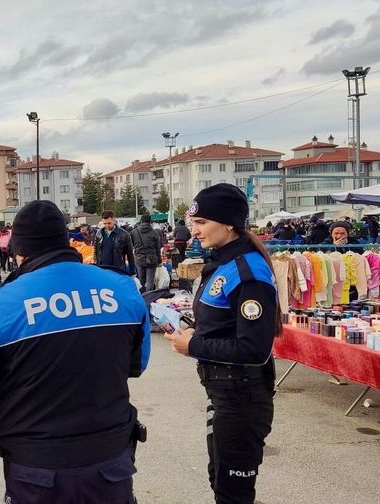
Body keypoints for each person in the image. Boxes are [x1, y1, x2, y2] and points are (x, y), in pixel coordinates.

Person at [0, 200, 150, 504]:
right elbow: (138, 364)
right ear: (66, 240)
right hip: (109, 459)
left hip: (37, 467)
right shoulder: (122, 288)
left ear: (19, 251)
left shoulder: (1, 303)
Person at [163, 183, 278, 504]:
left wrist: (194, 345)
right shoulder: (223, 262)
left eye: (201, 223)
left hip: (242, 397)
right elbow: (222, 323)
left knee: (233, 494)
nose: (193, 231)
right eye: (193, 222)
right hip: (223, 393)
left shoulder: (247, 271)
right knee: (220, 480)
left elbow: (254, 349)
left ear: (228, 223)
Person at [94, 210, 136, 275]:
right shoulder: (99, 233)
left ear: (114, 220)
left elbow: (130, 255)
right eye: (104, 223)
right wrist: (96, 265)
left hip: (117, 270)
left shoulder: (124, 235)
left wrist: (133, 272)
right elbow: (96, 251)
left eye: (109, 223)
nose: (107, 226)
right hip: (102, 269)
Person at [130, 213, 163, 291]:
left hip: (139, 259)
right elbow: (158, 248)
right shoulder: (154, 232)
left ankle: (142, 297)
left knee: (141, 280)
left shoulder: (134, 232)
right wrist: (159, 260)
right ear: (150, 221)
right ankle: (149, 298)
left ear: (141, 221)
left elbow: (131, 245)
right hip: (152, 259)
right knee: (150, 281)